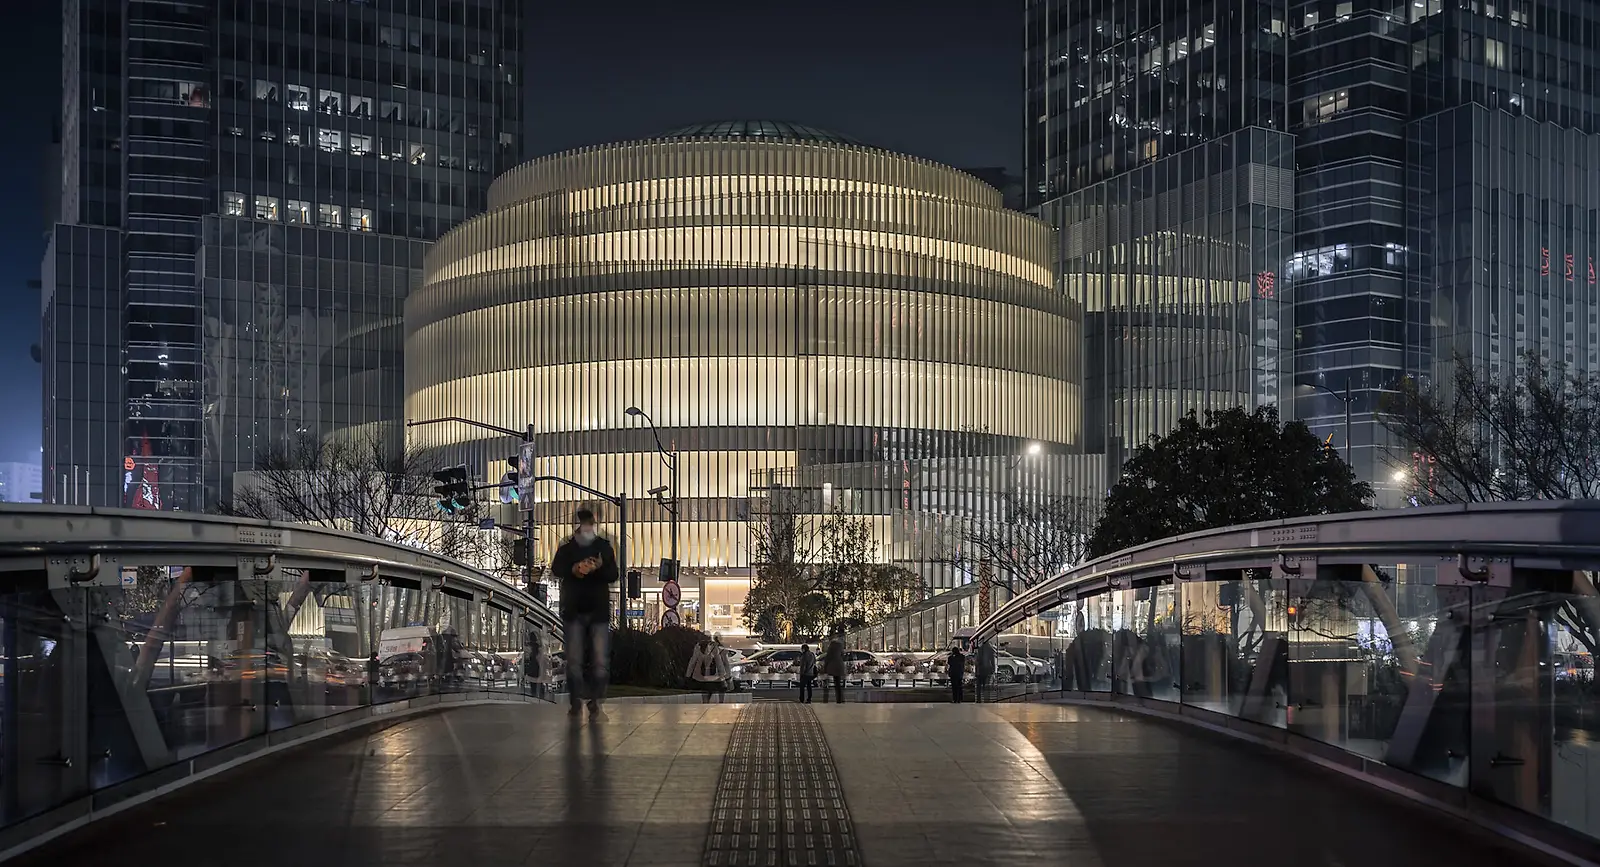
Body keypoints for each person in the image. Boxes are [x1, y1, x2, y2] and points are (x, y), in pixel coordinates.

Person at [550, 508, 620, 720]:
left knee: (598, 661)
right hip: (574, 610)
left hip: (597, 610)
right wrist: (574, 569)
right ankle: (576, 703)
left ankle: (595, 702)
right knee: (575, 661)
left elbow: (613, 574)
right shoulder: (567, 548)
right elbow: (556, 569)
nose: (587, 528)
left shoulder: (603, 547)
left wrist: (598, 567)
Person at [822, 632, 846, 703]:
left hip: (833, 667)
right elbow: (842, 655)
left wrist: (825, 668)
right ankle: (840, 699)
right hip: (840, 666)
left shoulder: (831, 646)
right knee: (839, 684)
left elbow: (828, 657)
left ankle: (828, 699)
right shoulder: (840, 645)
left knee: (831, 684)